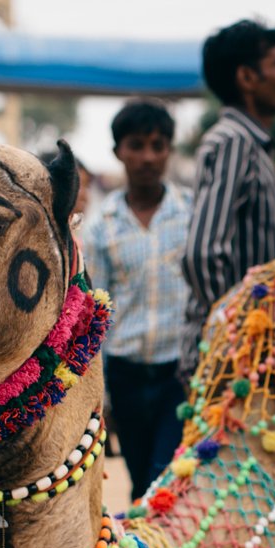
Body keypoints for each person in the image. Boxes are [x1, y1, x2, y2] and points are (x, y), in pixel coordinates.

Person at [83, 100, 194, 501]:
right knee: (141, 481)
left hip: (178, 377)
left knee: (163, 483)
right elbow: (95, 318)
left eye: (158, 145)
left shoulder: (191, 214)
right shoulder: (102, 227)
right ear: (119, 152)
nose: (148, 157)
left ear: (169, 150)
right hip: (126, 377)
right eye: (136, 145)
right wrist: (103, 397)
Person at [180, 18, 275, 385]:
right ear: (247, 78)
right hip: (232, 363)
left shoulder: (250, 144)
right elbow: (203, 252)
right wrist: (242, 328)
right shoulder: (236, 142)